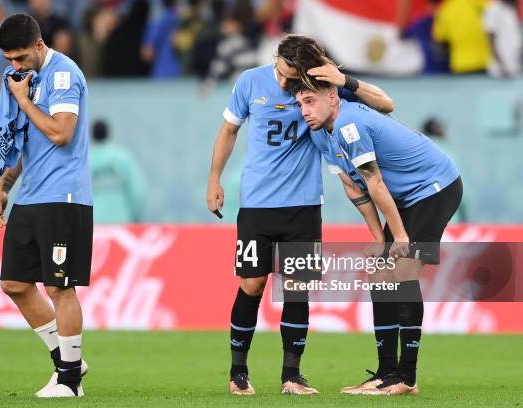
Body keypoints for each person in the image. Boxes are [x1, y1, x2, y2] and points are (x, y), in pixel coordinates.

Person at [206, 34, 395, 396]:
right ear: (276, 59)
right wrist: (214, 179)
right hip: (257, 205)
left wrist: (345, 80)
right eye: (283, 72)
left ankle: (292, 376)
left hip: (304, 205)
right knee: (252, 284)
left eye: (292, 78)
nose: (284, 82)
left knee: (296, 290)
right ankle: (237, 373)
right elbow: (229, 130)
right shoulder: (249, 82)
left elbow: (385, 104)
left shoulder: (319, 85)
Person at [291, 75, 462, 396]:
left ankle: (406, 378)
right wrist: (378, 237)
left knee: (402, 271)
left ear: (333, 98)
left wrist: (398, 236)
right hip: (404, 198)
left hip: (434, 188)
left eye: (310, 101)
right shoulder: (319, 134)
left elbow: (376, 182)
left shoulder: (349, 125)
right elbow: (352, 185)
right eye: (300, 104)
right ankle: (386, 373)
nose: (304, 111)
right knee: (381, 275)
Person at [0, 13, 92, 398]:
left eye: (19, 58)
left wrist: (22, 100)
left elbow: (61, 133)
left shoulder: (64, 74)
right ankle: (69, 361)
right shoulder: (20, 79)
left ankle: (69, 381)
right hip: (30, 194)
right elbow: (23, 137)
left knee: (59, 287)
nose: (14, 67)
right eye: (7, 61)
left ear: (39, 45)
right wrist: (4, 186)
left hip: (63, 196)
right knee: (13, 284)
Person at [90, 119, 146, 223]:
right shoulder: (123, 157)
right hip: (121, 223)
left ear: (92, 135)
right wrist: (137, 218)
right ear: (108, 134)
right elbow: (137, 191)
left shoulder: (84, 160)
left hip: (93, 224)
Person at [484, 0, 521, 78]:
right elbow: (490, 38)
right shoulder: (493, 9)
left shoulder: (510, 9)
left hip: (514, 66)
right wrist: (500, 64)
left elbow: (514, 36)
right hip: (501, 69)